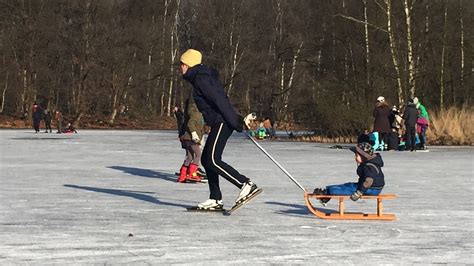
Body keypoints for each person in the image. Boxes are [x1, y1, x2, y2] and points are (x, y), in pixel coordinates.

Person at [180, 48, 260, 210]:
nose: (180, 68)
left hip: (223, 121)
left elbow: (219, 100)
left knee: (212, 159)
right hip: (219, 121)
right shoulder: (199, 78)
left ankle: (245, 184)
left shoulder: (202, 79)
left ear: (189, 65)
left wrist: (234, 120)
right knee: (206, 160)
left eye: (182, 64)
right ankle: (215, 198)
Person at [313, 142, 385, 205]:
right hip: (369, 188)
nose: (355, 157)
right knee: (348, 185)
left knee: (347, 189)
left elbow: (369, 181)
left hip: (371, 189)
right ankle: (327, 192)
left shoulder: (369, 166)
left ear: (363, 156)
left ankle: (326, 194)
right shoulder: (368, 164)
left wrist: (359, 193)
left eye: (357, 155)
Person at [177, 96, 205, 183]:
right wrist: (194, 134)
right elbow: (190, 124)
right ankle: (192, 174)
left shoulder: (197, 114)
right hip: (191, 138)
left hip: (188, 138)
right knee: (198, 155)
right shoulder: (196, 114)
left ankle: (182, 175)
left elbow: (198, 126)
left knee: (189, 157)